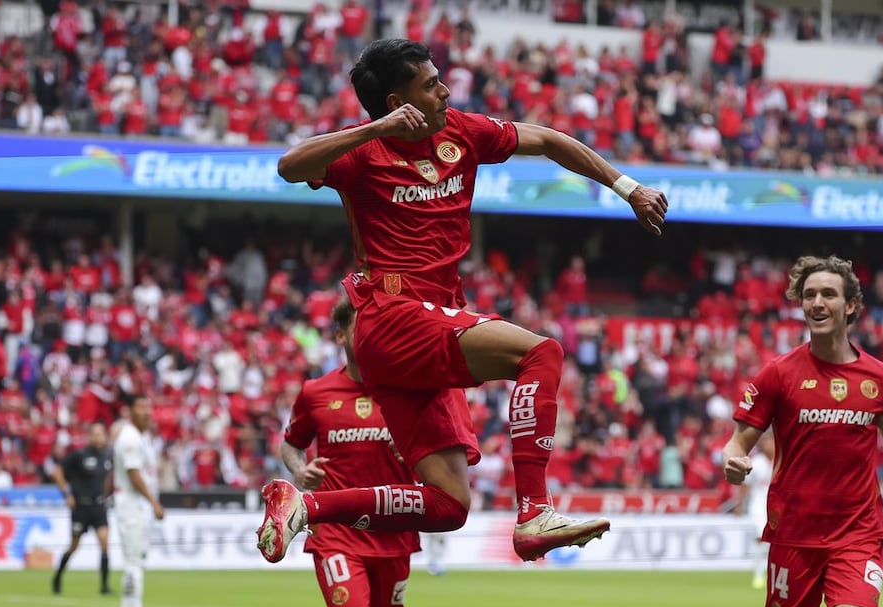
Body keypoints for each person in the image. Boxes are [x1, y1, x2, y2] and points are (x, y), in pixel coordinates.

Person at [257, 38, 667, 565]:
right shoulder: (363, 151)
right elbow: (289, 166)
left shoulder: (462, 131)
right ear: (396, 103)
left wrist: (626, 186)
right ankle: (535, 511)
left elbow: (546, 140)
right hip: (393, 315)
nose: (445, 90)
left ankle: (304, 508)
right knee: (541, 353)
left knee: (449, 505)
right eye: (430, 85)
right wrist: (379, 130)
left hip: (422, 330)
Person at [722, 255, 883, 607]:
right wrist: (732, 462)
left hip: (858, 535)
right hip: (793, 535)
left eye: (829, 294)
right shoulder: (777, 374)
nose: (817, 303)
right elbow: (736, 444)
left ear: (851, 305)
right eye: (809, 295)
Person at [281, 298, 420, 607]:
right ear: (341, 336)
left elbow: (437, 453)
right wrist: (301, 472)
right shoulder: (316, 392)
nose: (372, 335)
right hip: (336, 533)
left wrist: (416, 453)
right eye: (362, 328)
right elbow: (290, 445)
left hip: (394, 532)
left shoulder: (407, 390)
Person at [113, 394, 164, 607]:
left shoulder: (143, 437)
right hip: (132, 505)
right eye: (140, 407)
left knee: (136, 560)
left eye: (148, 407)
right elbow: (134, 474)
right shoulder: (130, 438)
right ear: (130, 411)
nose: (146, 412)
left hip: (137, 506)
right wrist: (154, 502)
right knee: (134, 561)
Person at [51, 423, 113, 595]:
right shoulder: (78, 456)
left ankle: (104, 586)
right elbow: (57, 473)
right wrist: (67, 494)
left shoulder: (106, 458)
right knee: (74, 545)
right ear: (89, 436)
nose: (99, 438)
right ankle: (57, 578)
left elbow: (107, 479)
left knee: (105, 543)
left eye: (102, 434)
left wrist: (105, 496)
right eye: (96, 434)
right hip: (81, 507)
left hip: (99, 506)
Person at [740, 431, 774, 591]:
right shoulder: (757, 463)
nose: (767, 445)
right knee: (761, 537)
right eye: (765, 442)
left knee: (774, 541)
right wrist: (740, 504)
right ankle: (759, 574)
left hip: (776, 506)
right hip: (758, 506)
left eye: (770, 442)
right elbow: (745, 485)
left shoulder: (782, 460)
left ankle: (770, 572)